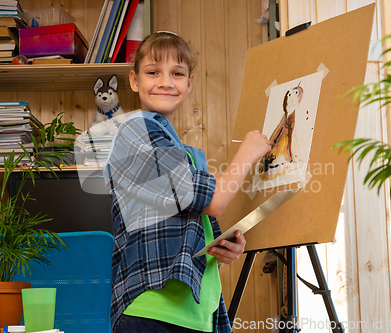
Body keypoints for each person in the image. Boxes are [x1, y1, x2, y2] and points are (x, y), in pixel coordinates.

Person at [103, 31, 271, 333]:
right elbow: (215, 200)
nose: (166, 81)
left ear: (189, 82)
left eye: (177, 73)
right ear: (133, 80)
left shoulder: (183, 152)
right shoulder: (136, 133)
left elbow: (190, 222)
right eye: (153, 72)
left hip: (196, 312)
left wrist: (220, 247)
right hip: (152, 310)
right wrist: (247, 152)